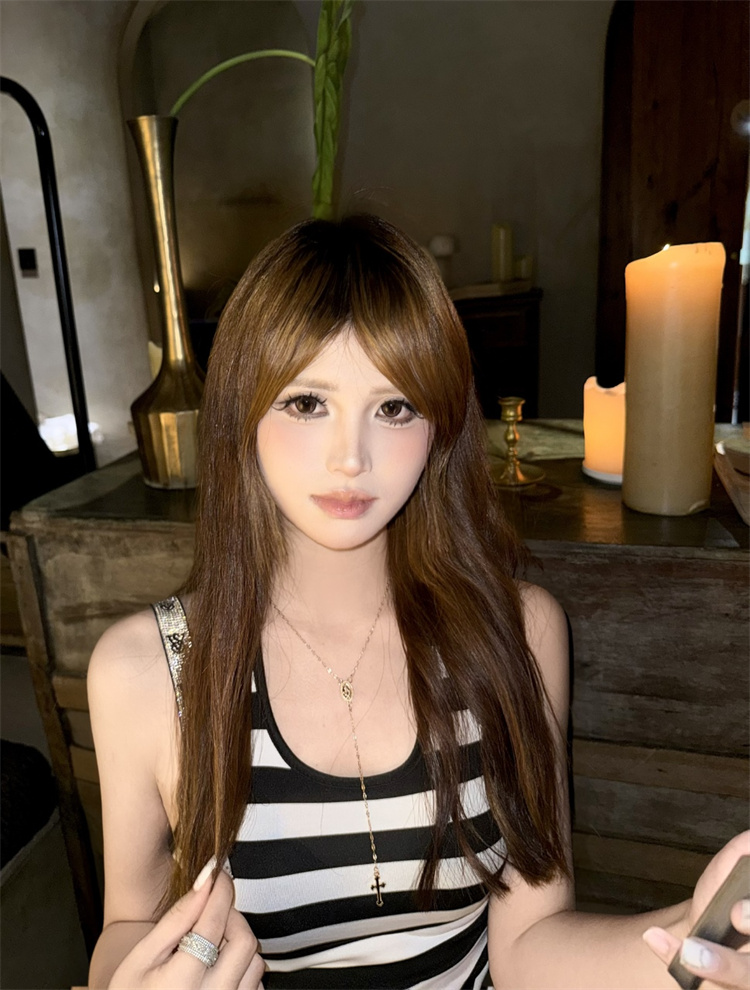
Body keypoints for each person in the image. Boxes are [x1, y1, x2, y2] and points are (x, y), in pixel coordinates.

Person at [88, 215, 749, 990]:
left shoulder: (518, 632)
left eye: (394, 407)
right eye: (307, 403)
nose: (351, 458)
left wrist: (694, 938)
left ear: (439, 425)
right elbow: (126, 925)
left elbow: (530, 942)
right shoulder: (145, 672)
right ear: (242, 412)